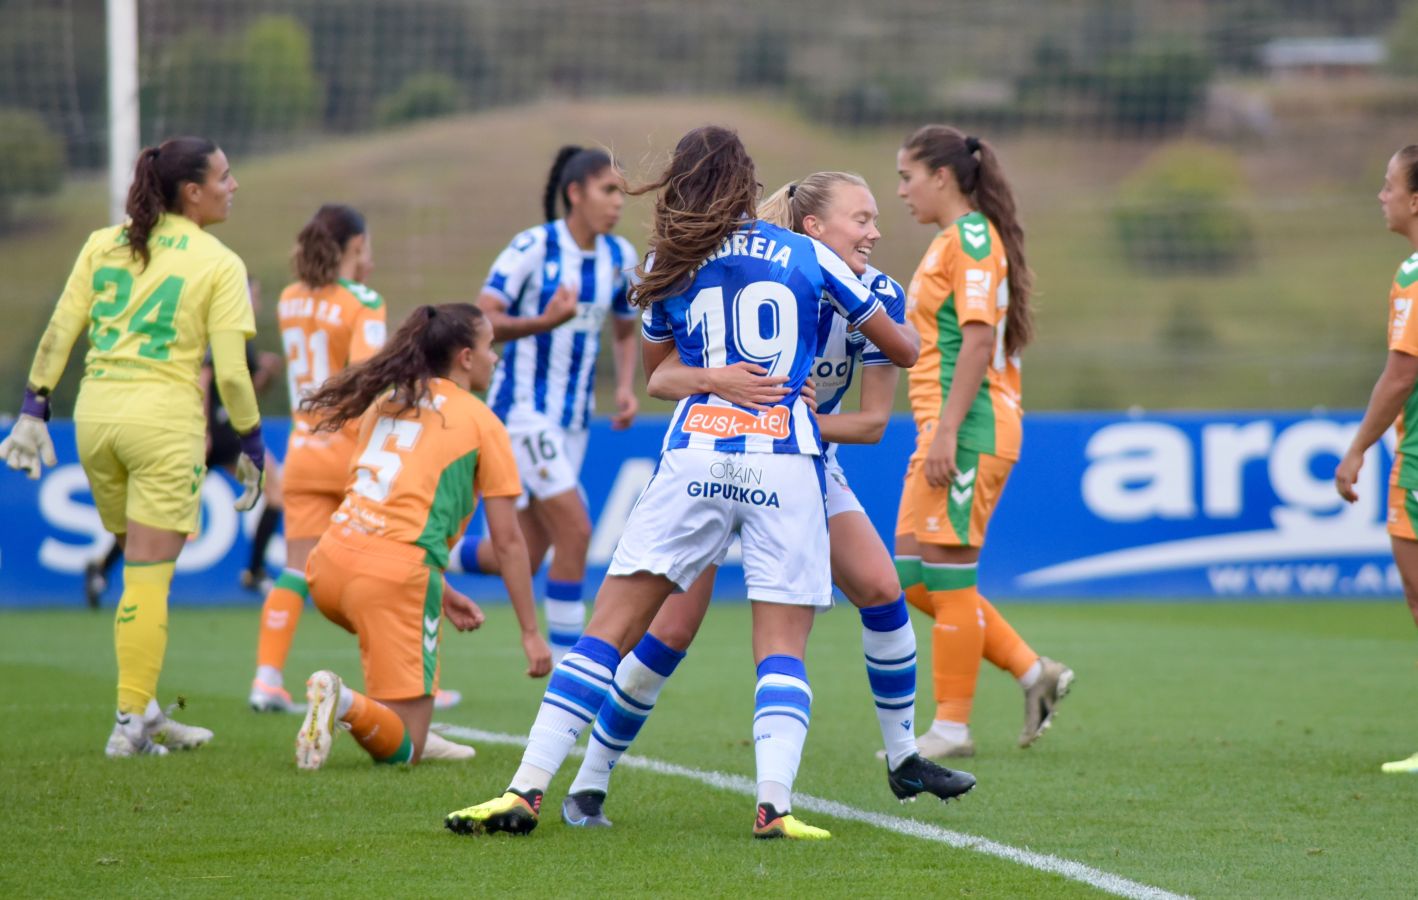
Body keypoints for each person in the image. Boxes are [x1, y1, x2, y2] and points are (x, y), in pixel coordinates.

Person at [445, 125, 917, 841]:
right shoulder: (805, 254)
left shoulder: (668, 257)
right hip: (786, 460)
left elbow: (659, 376)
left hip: (695, 456)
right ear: (748, 182)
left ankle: (525, 789)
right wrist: (853, 314)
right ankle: (773, 806)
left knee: (609, 632)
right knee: (782, 646)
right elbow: (905, 350)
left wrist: (715, 378)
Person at [558, 172, 975, 830]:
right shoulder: (777, 277)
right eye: (860, 219)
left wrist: (803, 422)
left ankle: (903, 759)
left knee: (881, 586)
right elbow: (666, 363)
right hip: (718, 459)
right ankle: (589, 780)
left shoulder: (876, 296)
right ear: (816, 229)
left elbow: (869, 425)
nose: (875, 231)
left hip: (805, 466)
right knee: (668, 631)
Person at [0, 136, 266, 756]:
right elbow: (230, 374)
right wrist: (252, 440)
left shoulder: (103, 243)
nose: (235, 186)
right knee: (148, 578)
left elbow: (61, 329)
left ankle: (144, 708)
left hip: (95, 419)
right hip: (164, 424)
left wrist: (35, 404)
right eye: (225, 177)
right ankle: (128, 725)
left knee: (137, 572)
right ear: (191, 192)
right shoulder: (218, 262)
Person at [292, 303, 552, 769]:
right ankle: (343, 699)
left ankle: (404, 721)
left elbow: (386, 505)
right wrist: (531, 633)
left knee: (404, 712)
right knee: (404, 752)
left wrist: (441, 588)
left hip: (328, 562)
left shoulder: (387, 399)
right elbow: (510, 543)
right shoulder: (481, 420)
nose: (497, 359)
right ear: (466, 358)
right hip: (390, 580)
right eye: (491, 348)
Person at [892, 125, 1073, 759]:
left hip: (967, 429)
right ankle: (1033, 672)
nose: (901, 191)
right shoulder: (950, 241)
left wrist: (945, 431)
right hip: (945, 429)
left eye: (906, 176)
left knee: (947, 578)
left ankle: (952, 727)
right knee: (915, 578)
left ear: (942, 177)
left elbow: (974, 340)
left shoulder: (971, 237)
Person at [445, 146, 640, 665]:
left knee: (524, 557)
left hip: (573, 421)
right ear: (575, 193)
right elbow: (481, 321)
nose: (618, 202)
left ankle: (423, 557)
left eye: (621, 191)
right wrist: (545, 323)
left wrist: (624, 386)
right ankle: (570, 670)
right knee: (576, 527)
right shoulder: (532, 247)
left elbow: (625, 330)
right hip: (522, 411)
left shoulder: (620, 257)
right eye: (608, 190)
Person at [247, 204, 389, 714]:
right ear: (355, 248)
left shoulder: (289, 299)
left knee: (292, 570)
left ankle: (266, 680)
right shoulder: (362, 300)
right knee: (383, 571)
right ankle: (405, 685)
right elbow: (366, 377)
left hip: (303, 448)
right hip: (352, 452)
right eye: (365, 246)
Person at [1334, 144, 1418, 775]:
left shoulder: (1414, 274)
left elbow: (1399, 377)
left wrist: (1358, 446)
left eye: (1390, 185)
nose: (1381, 196)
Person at [200, 277, 285, 595]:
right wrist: (203, 430)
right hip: (217, 435)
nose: (258, 301)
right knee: (169, 510)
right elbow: (204, 378)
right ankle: (254, 570)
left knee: (276, 491)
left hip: (230, 436)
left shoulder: (243, 337)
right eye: (255, 293)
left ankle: (255, 570)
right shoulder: (225, 331)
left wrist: (264, 372)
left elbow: (247, 392)